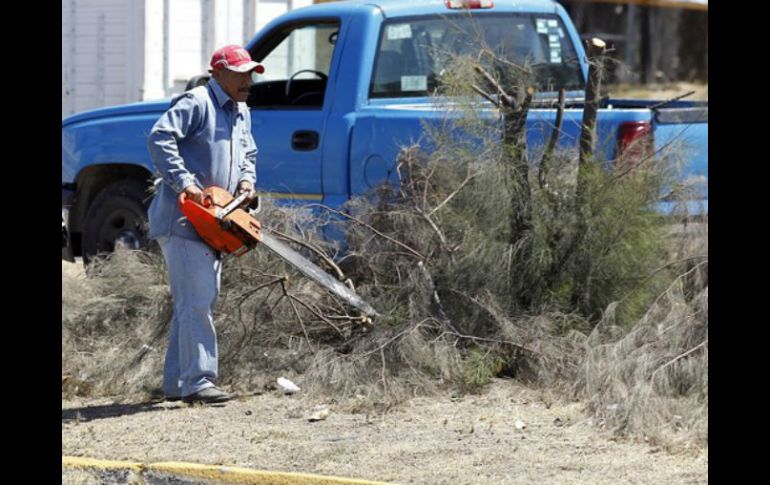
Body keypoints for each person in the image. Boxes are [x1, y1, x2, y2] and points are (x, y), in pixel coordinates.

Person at [147, 45, 260, 404]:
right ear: (218, 74)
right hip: (182, 222)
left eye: (250, 73)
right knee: (197, 302)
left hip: (216, 224)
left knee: (194, 303)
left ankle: (177, 384)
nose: (247, 81)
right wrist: (185, 183)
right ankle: (199, 382)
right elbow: (159, 137)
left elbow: (248, 153)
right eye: (240, 74)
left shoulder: (241, 110)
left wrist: (246, 180)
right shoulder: (197, 102)